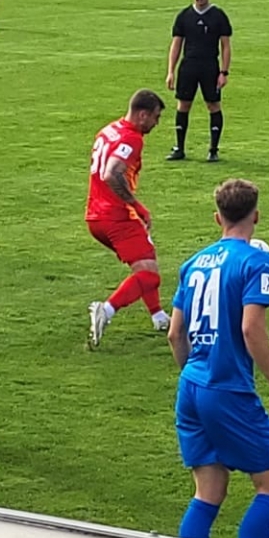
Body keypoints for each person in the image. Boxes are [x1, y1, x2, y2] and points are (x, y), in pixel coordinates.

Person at [169, 178, 269, 538]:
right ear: (257, 216)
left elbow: (175, 334)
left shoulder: (193, 263)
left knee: (209, 489)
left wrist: (195, 375)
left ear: (217, 218)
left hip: (191, 387)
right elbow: (251, 327)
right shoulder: (255, 260)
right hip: (228, 389)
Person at [87, 90, 171, 347]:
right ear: (143, 115)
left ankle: (158, 316)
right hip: (117, 217)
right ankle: (106, 310)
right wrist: (136, 204)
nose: (156, 123)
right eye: (155, 117)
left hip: (95, 217)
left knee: (146, 261)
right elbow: (111, 173)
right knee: (150, 276)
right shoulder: (132, 138)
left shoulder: (109, 130)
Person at [164, 0, 233, 162]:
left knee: (213, 104)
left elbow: (226, 46)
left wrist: (224, 72)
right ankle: (179, 148)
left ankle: (213, 149)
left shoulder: (218, 16)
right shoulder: (184, 16)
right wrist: (171, 71)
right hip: (189, 66)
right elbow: (176, 45)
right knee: (183, 104)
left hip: (210, 66)